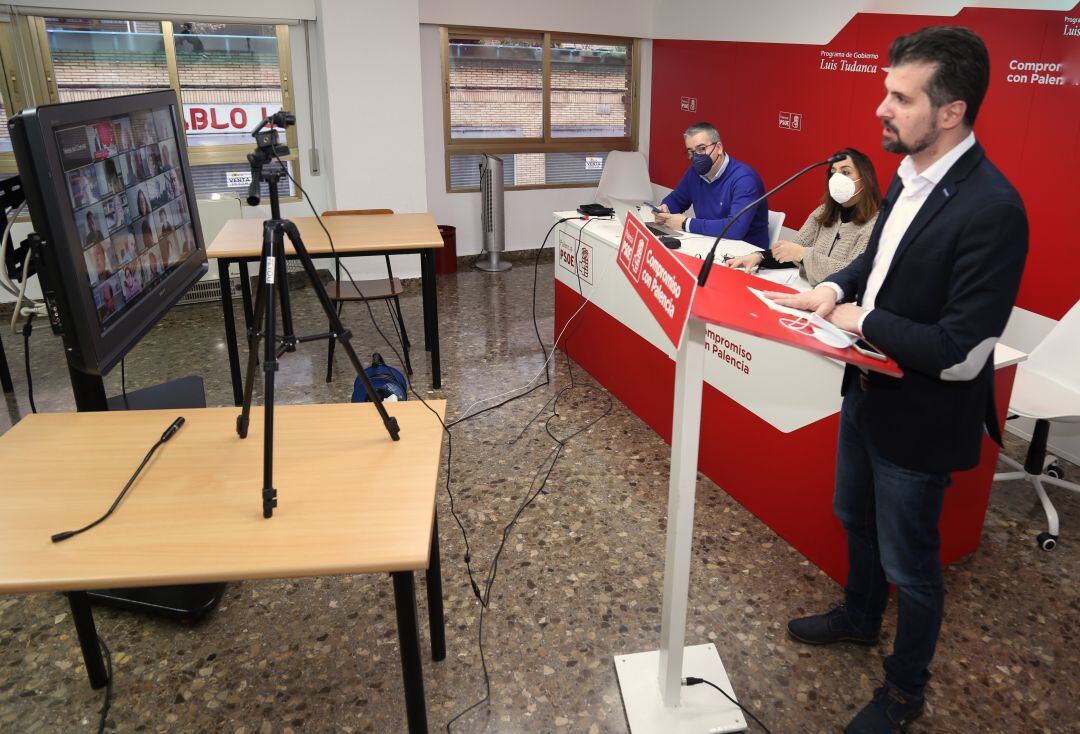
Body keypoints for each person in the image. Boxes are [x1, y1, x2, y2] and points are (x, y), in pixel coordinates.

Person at [767, 27, 1027, 734]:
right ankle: (857, 617)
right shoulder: (911, 180)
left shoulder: (993, 209)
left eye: (899, 97)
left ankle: (905, 687)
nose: (881, 107)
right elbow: (872, 268)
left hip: (921, 417)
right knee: (854, 518)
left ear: (951, 112)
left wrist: (860, 320)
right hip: (866, 392)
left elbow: (962, 352)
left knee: (912, 566)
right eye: (886, 90)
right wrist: (832, 292)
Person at [726, 149, 883, 285]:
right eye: (833, 172)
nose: (837, 178)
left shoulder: (875, 223)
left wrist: (803, 254)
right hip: (806, 290)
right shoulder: (823, 212)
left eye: (846, 172)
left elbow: (853, 275)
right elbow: (792, 251)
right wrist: (759, 257)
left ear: (865, 180)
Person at [652, 122, 770, 248]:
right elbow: (676, 199)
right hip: (708, 244)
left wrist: (686, 224)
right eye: (691, 152)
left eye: (701, 149)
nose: (695, 157)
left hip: (746, 254)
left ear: (718, 148)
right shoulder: (694, 173)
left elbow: (735, 228)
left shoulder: (745, 179)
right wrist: (665, 209)